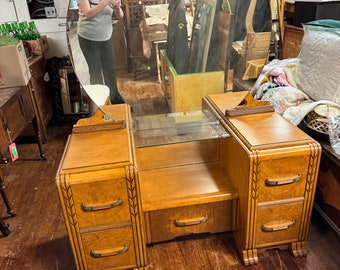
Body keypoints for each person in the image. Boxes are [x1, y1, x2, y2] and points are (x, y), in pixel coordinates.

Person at [77, 0, 125, 104]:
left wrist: (117, 7)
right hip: (88, 37)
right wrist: (105, 2)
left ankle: (115, 100)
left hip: (105, 37)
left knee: (110, 71)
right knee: (95, 72)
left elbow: (119, 16)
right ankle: (99, 103)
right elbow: (88, 13)